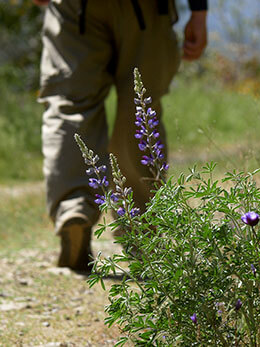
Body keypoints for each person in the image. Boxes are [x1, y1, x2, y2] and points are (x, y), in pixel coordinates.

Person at [33, 0, 208, 271]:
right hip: (145, 10)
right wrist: (199, 12)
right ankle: (142, 235)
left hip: (75, 7)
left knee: (69, 105)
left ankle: (73, 209)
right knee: (139, 111)